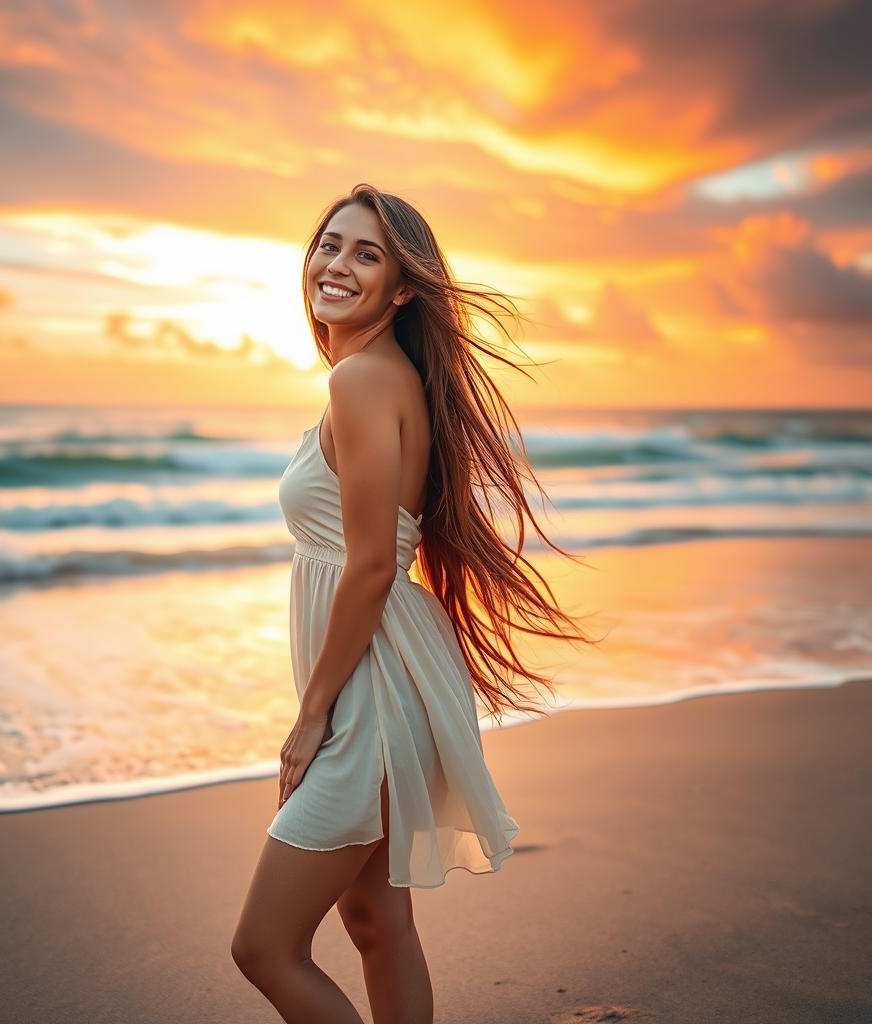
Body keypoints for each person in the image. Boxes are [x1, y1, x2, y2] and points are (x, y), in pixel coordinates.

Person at [232, 183, 593, 1023]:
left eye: (367, 253)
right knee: (377, 920)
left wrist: (311, 714)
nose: (337, 264)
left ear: (402, 288)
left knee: (263, 947)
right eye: (329, 243)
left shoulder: (360, 379)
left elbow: (368, 569)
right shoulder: (386, 376)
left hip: (373, 688)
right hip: (392, 670)